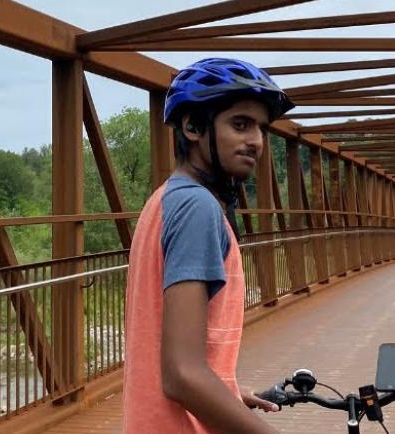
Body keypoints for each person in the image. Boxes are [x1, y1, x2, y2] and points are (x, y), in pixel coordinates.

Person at [123, 58, 295, 434]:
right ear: (193, 126)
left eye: (261, 128)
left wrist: (227, 392)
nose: (256, 141)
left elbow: (180, 360)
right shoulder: (197, 208)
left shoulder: (166, 199)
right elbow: (182, 376)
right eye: (240, 124)